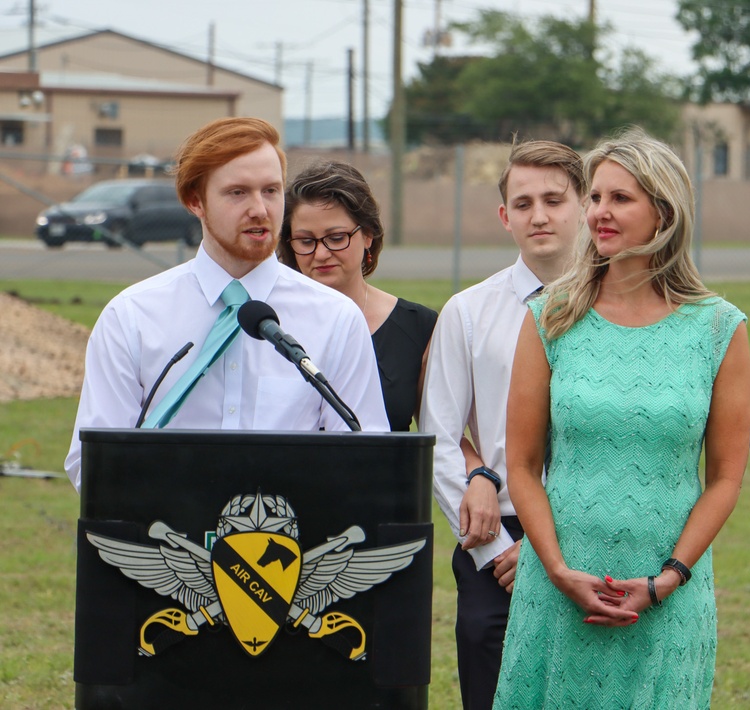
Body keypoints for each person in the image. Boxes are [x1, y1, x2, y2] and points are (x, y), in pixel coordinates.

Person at [492, 128, 750, 708]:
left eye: (620, 198)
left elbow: (727, 478)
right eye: (595, 197)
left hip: (668, 596)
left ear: (664, 211)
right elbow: (524, 464)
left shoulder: (719, 328)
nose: (599, 213)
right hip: (557, 593)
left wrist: (666, 581)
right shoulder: (551, 316)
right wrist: (557, 571)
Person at [65, 117, 389, 490]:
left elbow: (365, 456)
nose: (260, 209)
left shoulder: (336, 318)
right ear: (194, 201)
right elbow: (91, 462)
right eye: (238, 192)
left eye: (271, 191)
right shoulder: (131, 317)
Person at [420, 139, 585, 709]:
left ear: (584, 205)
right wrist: (492, 549)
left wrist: (563, 550)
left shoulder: (621, 305)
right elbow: (438, 438)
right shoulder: (467, 313)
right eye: (523, 203)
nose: (538, 215)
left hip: (594, 537)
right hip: (498, 550)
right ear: (504, 216)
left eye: (554, 199)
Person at [277, 161, 436, 431]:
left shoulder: (418, 326)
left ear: (368, 235)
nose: (321, 253)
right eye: (306, 241)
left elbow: (441, 434)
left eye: (336, 238)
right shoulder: (269, 324)